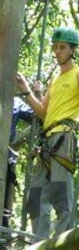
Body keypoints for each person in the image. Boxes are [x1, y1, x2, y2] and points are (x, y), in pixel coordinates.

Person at [15, 27, 79, 240]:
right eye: (55, 47)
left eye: (62, 47)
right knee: (36, 195)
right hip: (47, 140)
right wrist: (26, 90)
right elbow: (43, 113)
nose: (57, 51)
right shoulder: (55, 79)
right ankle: (39, 242)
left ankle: (63, 242)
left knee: (61, 194)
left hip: (63, 138)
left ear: (72, 50)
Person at [3, 93, 35, 231]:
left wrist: (36, 94)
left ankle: (4, 226)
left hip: (5, 157)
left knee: (6, 195)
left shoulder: (14, 102)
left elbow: (35, 116)